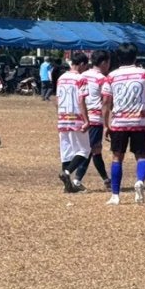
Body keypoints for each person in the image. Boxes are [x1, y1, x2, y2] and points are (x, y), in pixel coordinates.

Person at [100, 42, 145, 205]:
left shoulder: (111, 76)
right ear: (135, 57)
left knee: (117, 157)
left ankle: (115, 195)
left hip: (119, 122)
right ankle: (140, 181)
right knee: (142, 156)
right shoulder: (144, 74)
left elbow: (106, 102)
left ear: (118, 58)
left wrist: (105, 125)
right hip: (139, 121)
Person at [56, 52, 91, 192]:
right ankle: (67, 172)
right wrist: (86, 120)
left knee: (67, 152)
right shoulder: (81, 78)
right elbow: (81, 100)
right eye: (86, 66)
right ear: (81, 64)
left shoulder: (61, 78)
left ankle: (67, 186)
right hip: (76, 118)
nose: (86, 68)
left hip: (62, 118)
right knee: (84, 150)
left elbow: (58, 99)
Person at [83, 51, 111, 189]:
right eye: (108, 63)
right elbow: (106, 102)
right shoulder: (102, 79)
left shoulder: (82, 75)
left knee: (93, 149)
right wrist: (106, 123)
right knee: (92, 150)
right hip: (95, 118)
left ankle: (106, 179)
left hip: (81, 117)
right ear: (104, 63)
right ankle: (75, 178)